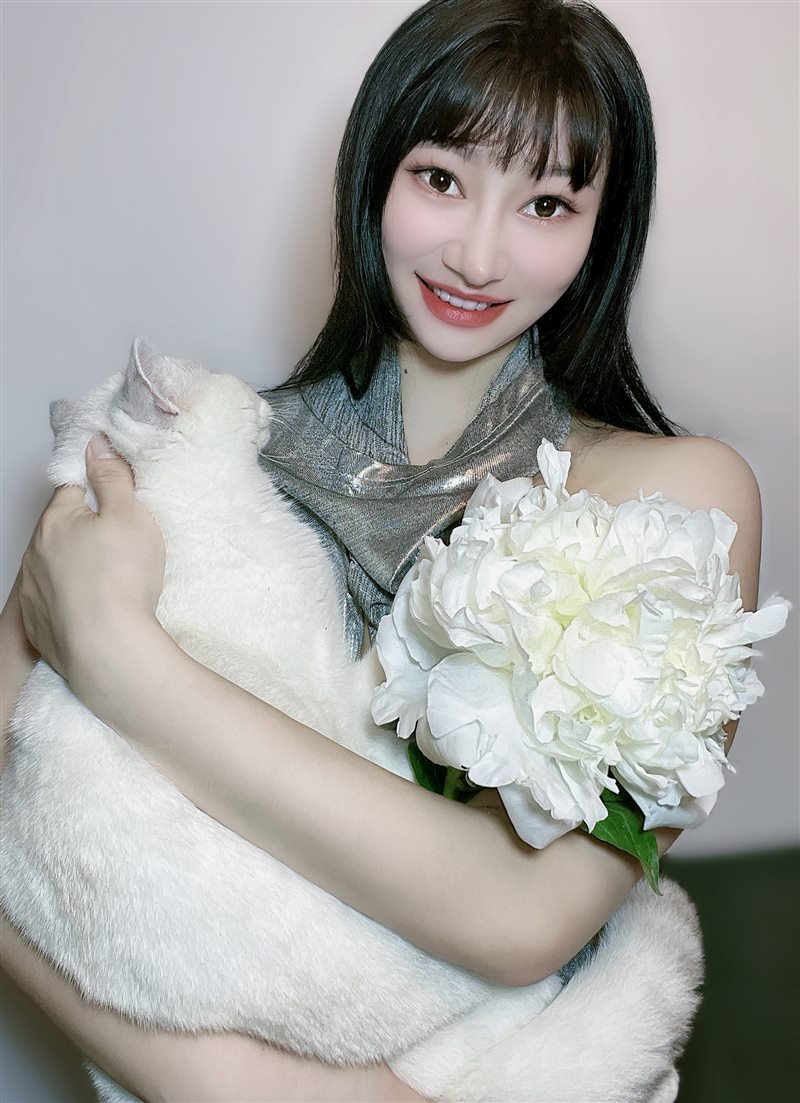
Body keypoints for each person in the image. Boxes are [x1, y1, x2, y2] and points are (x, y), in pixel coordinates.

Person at [0, 0, 761, 1099]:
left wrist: (120, 659)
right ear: (372, 173)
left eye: (547, 202)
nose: (478, 253)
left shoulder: (669, 499)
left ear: (605, 228)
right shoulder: (192, 448)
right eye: (440, 178)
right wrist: (228, 1081)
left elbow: (521, 915)